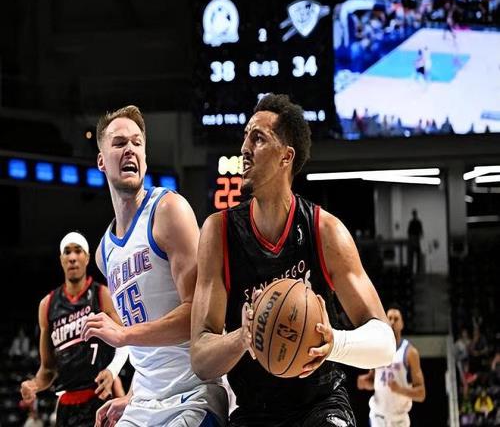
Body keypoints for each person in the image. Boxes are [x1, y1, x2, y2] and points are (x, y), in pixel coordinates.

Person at [191, 93, 396, 426]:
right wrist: (243, 336)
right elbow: (200, 358)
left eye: (258, 138)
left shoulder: (325, 230)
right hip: (255, 410)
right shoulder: (218, 232)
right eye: (245, 137)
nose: (244, 148)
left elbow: (385, 344)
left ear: (286, 157)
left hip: (321, 404)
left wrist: (334, 342)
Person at [81, 105, 227, 426]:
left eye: (137, 143)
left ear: (145, 158)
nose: (130, 149)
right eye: (120, 143)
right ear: (102, 161)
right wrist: (132, 396)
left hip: (193, 393)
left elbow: (200, 315)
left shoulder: (168, 210)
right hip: (144, 401)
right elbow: (147, 351)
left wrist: (124, 334)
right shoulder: (104, 253)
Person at [20, 232, 129, 427]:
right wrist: (34, 385)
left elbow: (125, 340)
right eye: (67, 252)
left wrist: (112, 370)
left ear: (87, 258)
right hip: (66, 405)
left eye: (78, 251)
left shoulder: (102, 295)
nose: (72, 257)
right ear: (61, 259)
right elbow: (48, 369)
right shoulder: (47, 305)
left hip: (99, 398)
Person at [357, 305, 426, 426]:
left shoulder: (410, 352)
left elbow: (421, 394)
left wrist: (400, 390)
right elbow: (373, 381)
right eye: (389, 318)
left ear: (402, 324)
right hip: (378, 416)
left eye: (396, 319)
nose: (393, 322)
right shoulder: (377, 348)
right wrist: (364, 383)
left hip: (399, 419)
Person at [407, 209, 423, 275]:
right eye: (414, 214)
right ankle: (413, 271)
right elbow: (409, 232)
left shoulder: (417, 222)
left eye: (414, 214)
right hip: (414, 240)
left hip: (415, 240)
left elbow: (421, 232)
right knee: (413, 257)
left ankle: (417, 271)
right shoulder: (412, 222)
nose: (414, 215)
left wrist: (417, 237)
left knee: (416, 256)